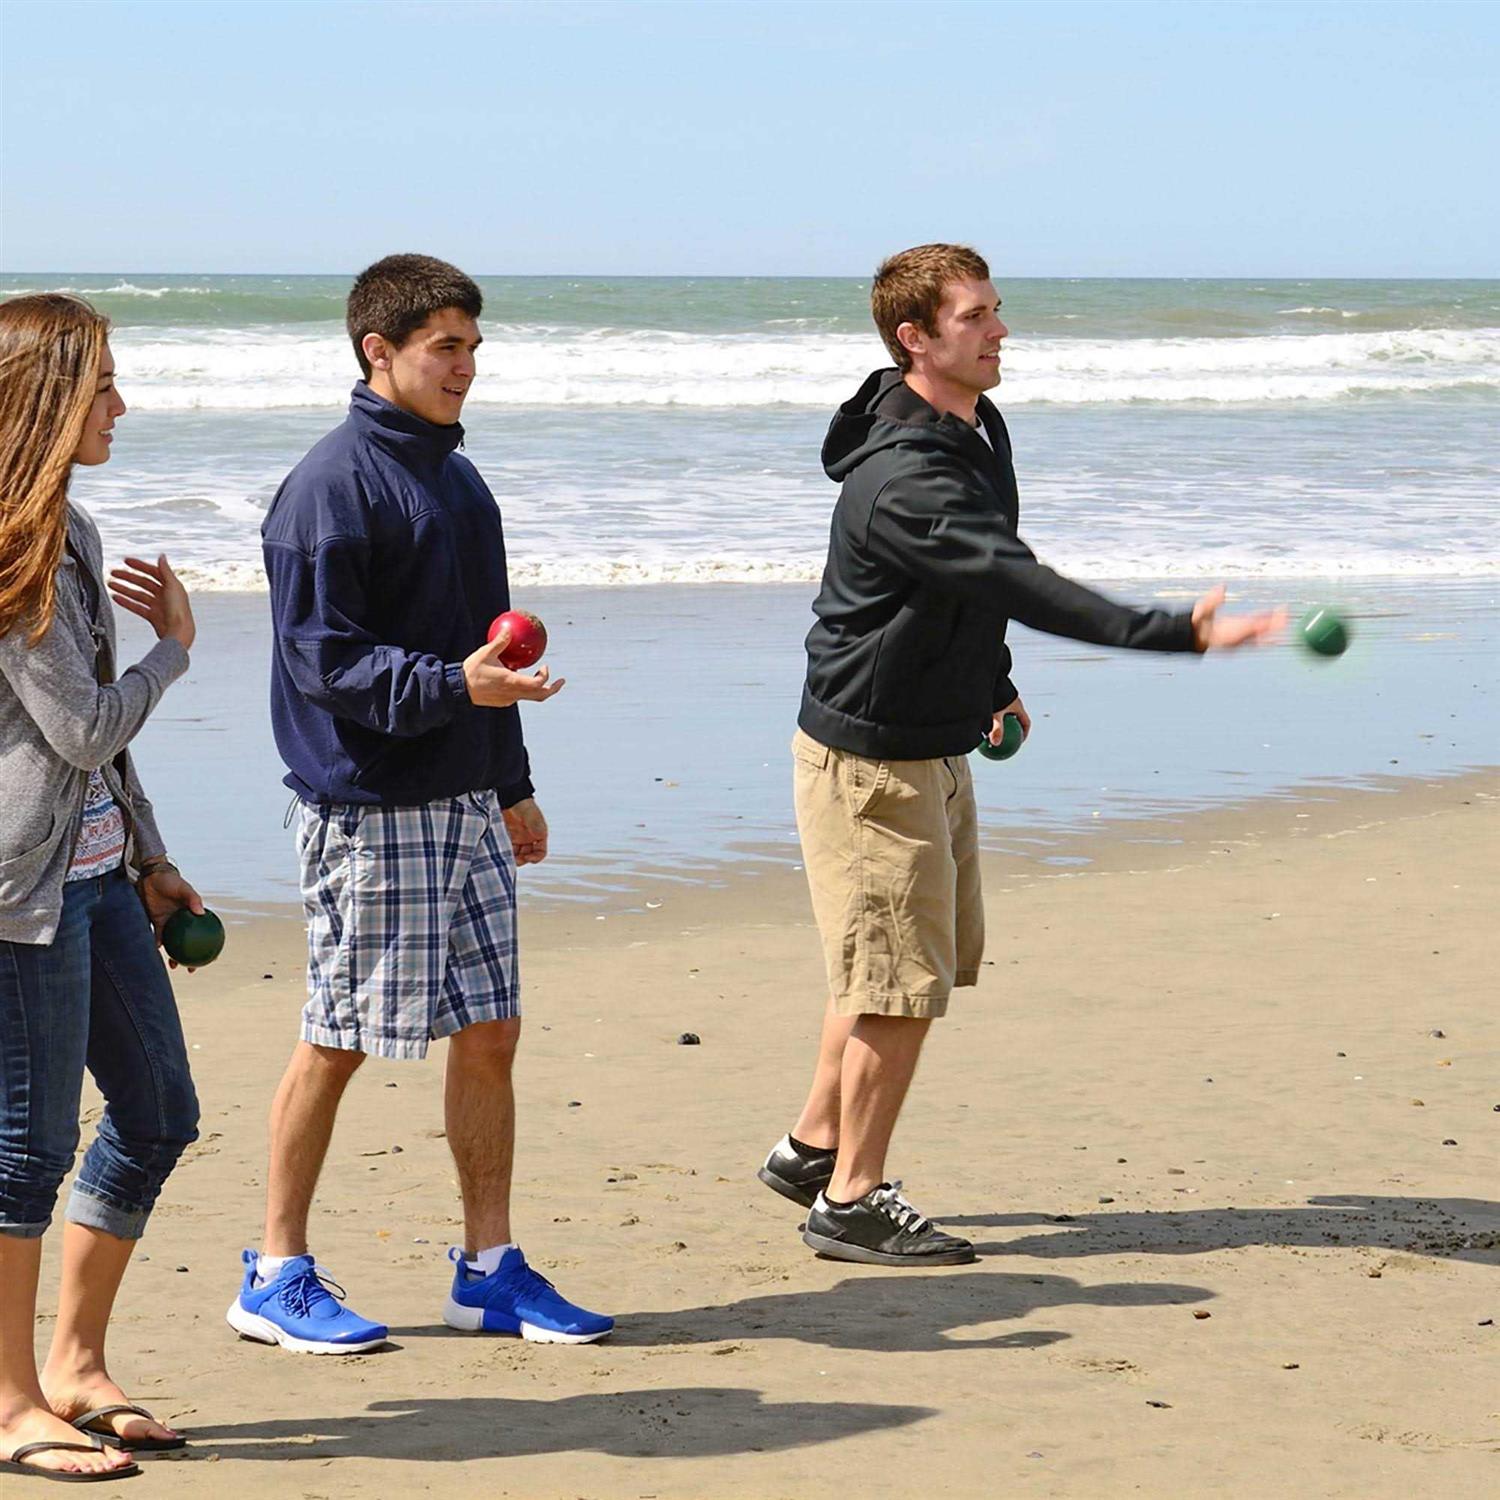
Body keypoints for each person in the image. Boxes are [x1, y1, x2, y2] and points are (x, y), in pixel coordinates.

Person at [758, 244, 1284, 1266]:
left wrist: (988, 679)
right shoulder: (908, 478)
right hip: (872, 765)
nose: (1000, 330)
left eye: (997, 309)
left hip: (929, 738)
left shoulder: (974, 424)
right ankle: (852, 1201)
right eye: (975, 317)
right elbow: (1017, 578)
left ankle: (812, 1148)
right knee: (897, 984)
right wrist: (1172, 632)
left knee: (896, 963)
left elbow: (970, 586)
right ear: (915, 339)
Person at [230, 253, 613, 1354]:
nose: (466, 367)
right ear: (378, 351)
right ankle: (275, 1272)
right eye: (446, 347)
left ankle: (488, 1272)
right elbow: (323, 665)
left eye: (473, 348)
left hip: (465, 798)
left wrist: (513, 783)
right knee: (338, 1036)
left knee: (491, 1030)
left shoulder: (460, 480)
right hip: (371, 807)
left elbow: (490, 651)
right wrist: (455, 689)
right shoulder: (328, 489)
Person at [0, 294, 203, 1480]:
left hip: (97, 875)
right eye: (103, 385)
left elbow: (97, 761)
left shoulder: (69, 527)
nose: (120, 405)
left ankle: (74, 1367)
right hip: (19, 894)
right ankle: (9, 1402)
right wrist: (175, 650)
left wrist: (149, 857)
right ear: (46, 398)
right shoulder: (13, 549)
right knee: (25, 1152)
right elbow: (81, 726)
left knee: (160, 1110)